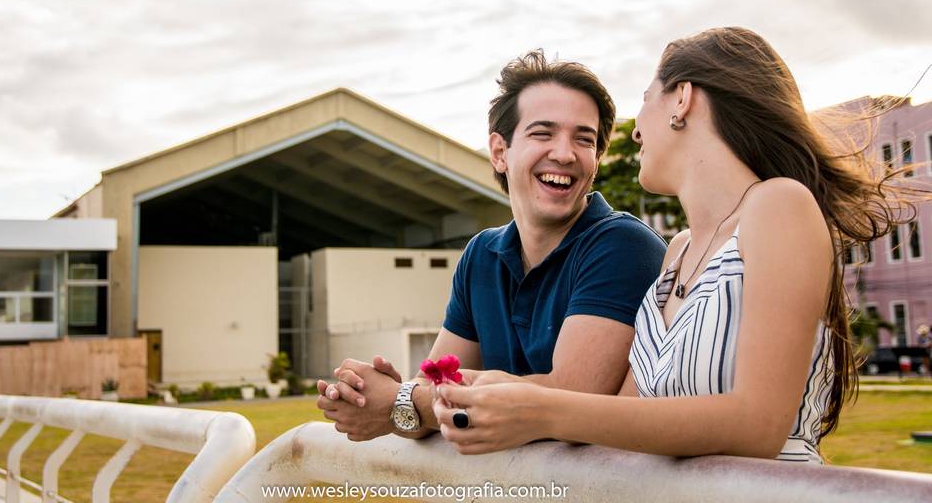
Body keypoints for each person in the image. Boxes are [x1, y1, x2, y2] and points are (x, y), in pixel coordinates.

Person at [433, 27, 916, 463]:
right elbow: (616, 420)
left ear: (681, 98)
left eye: (646, 100)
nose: (637, 129)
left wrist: (540, 408)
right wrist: (491, 388)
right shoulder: (679, 251)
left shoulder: (778, 206)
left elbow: (759, 426)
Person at [316, 50, 667, 441]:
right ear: (500, 152)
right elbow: (435, 386)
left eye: (583, 140)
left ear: (596, 159)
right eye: (542, 133)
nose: (565, 154)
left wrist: (401, 401)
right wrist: (372, 397)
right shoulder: (481, 255)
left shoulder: (622, 245)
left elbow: (573, 399)